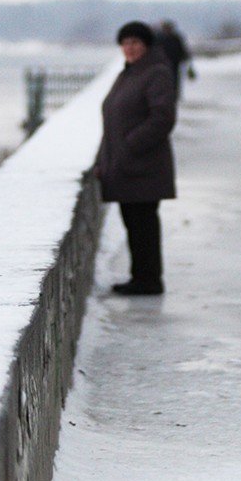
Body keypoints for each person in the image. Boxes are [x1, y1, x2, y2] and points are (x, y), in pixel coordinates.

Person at [94, 20, 176, 296]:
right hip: (125, 165)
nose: (129, 48)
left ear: (147, 46)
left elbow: (163, 118)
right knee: (134, 223)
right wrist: (103, 161)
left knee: (143, 225)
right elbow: (114, 120)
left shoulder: (156, 73)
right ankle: (141, 277)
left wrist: (130, 146)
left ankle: (149, 280)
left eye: (135, 43)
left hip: (144, 165)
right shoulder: (128, 73)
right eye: (125, 43)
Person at [157, 18, 195, 99]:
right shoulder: (160, 38)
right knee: (165, 79)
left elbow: (182, 49)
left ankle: (174, 95)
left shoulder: (175, 37)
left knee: (174, 79)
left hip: (174, 62)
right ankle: (168, 95)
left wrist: (185, 57)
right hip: (164, 63)